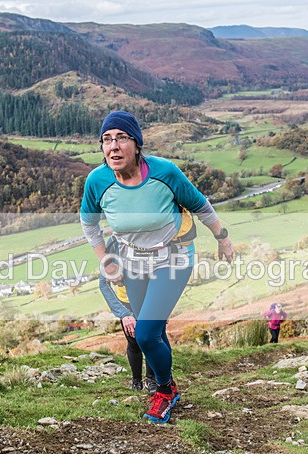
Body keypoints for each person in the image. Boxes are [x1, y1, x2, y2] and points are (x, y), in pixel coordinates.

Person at [81, 110, 234, 424]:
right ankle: (162, 381)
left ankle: (165, 389)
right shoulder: (98, 181)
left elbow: (200, 204)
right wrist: (105, 259)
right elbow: (89, 223)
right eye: (106, 140)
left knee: (147, 331)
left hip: (173, 257)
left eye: (121, 138)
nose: (113, 146)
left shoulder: (165, 172)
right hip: (131, 259)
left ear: (137, 144)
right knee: (151, 332)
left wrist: (223, 238)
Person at [98, 237, 157, 393]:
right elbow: (103, 283)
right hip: (126, 302)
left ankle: (151, 380)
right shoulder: (112, 245)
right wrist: (124, 314)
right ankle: (136, 381)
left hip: (149, 298)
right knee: (134, 342)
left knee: (151, 339)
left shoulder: (150, 239)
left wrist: (161, 305)